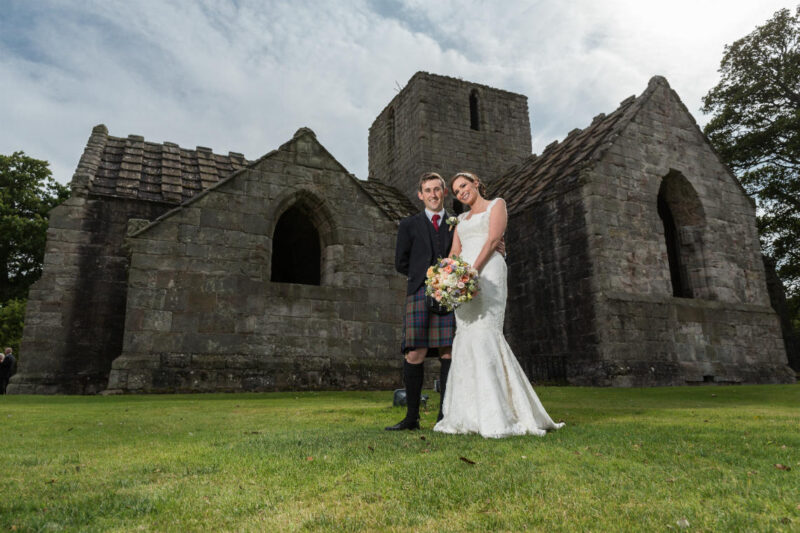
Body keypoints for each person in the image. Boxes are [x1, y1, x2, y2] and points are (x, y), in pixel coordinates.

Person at [434, 172, 565, 438]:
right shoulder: (459, 220)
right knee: (466, 336)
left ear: (476, 183)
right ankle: (468, 415)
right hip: (462, 280)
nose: (461, 193)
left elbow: (494, 240)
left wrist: (473, 270)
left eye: (464, 186)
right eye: (457, 191)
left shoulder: (498, 205)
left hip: (489, 274)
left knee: (485, 333)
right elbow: (453, 253)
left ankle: (499, 413)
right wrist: (447, 277)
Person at [387, 172, 455, 430]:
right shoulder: (408, 225)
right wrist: (425, 279)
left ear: (444, 192)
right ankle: (411, 418)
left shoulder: (456, 222)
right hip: (419, 292)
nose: (433, 195)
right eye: (428, 190)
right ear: (420, 195)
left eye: (437, 189)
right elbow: (400, 262)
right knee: (415, 352)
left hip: (450, 294)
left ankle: (445, 416)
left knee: (449, 352)